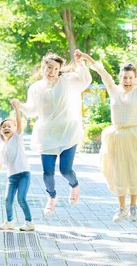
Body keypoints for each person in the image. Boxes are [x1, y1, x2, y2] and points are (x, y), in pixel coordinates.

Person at [78, 42, 137, 223]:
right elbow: (103, 73)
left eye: (130, 78)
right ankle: (121, 208)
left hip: (135, 136)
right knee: (118, 171)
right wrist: (87, 58)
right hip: (117, 136)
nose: (127, 81)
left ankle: (133, 207)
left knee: (134, 170)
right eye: (124, 77)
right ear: (120, 78)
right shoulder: (114, 90)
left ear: (135, 79)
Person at [15, 50, 91, 215]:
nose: (52, 72)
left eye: (56, 69)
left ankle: (75, 185)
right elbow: (31, 110)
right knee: (47, 174)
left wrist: (80, 63)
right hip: (47, 135)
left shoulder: (66, 81)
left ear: (59, 70)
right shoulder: (35, 88)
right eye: (49, 67)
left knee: (65, 170)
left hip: (68, 131)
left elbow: (85, 80)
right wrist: (19, 105)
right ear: (43, 67)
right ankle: (52, 197)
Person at [0, 99, 34, 231]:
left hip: (24, 173)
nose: (6, 128)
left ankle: (29, 223)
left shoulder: (16, 139)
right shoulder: (1, 146)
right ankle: (9, 222)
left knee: (21, 198)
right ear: (0, 131)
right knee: (7, 199)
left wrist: (17, 109)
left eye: (9, 126)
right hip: (11, 177)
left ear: (14, 129)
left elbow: (19, 124)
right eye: (4, 127)